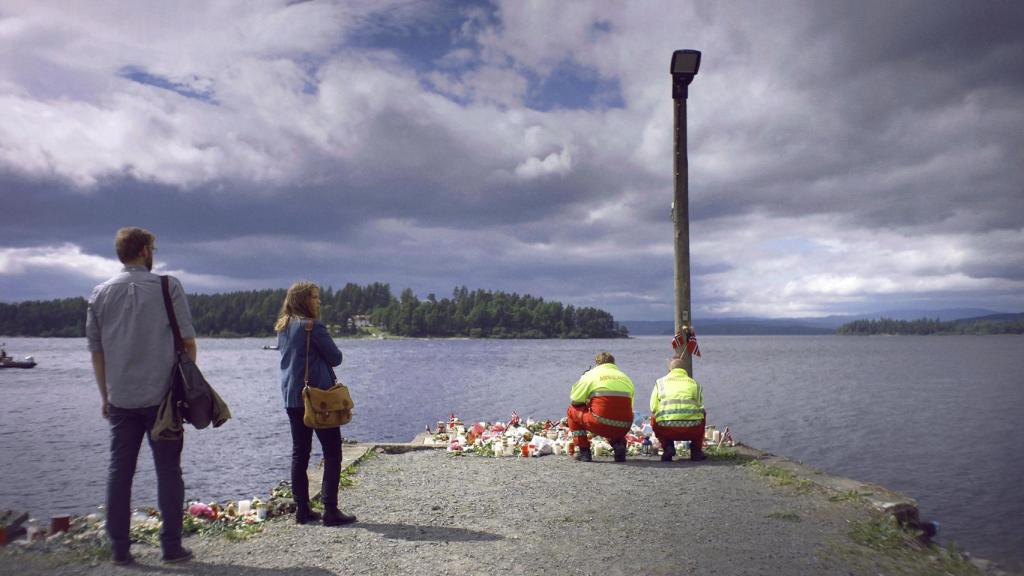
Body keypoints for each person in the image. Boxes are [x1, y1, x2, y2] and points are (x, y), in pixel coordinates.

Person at [86, 227, 195, 565]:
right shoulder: (168, 286)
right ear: (146, 250)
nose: (154, 253)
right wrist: (183, 388)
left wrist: (106, 396)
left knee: (120, 471)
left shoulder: (99, 293)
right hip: (163, 399)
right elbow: (188, 342)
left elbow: (97, 352)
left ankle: (120, 549)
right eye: (154, 248)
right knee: (168, 470)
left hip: (121, 399)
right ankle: (171, 547)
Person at [275, 281, 356, 526]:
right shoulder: (313, 326)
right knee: (333, 451)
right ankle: (330, 510)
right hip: (317, 398)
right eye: (314, 297)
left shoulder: (283, 326)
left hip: (292, 397)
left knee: (300, 453)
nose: (318, 301)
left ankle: (302, 509)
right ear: (303, 300)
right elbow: (336, 357)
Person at [566, 352, 635, 462]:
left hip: (601, 423)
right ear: (613, 363)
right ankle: (618, 445)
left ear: (597, 363)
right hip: (624, 425)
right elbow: (629, 405)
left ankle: (584, 451)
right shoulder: (625, 377)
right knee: (615, 414)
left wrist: (583, 379)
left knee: (571, 411)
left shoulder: (591, 375)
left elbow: (575, 400)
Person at [650, 355, 706, 462]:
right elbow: (700, 405)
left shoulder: (660, 383)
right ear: (684, 370)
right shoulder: (696, 384)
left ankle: (668, 447)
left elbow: (653, 408)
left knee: (654, 417)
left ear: (669, 369)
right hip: (692, 429)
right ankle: (696, 451)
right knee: (702, 414)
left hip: (667, 429)